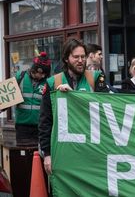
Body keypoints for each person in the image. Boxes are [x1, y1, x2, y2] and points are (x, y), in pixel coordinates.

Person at [38, 38, 109, 175]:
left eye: (83, 56)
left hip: (91, 149)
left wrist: (74, 96)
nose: (80, 60)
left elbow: (106, 108)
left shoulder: (96, 78)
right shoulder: (53, 82)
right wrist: (47, 154)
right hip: (64, 151)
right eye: (76, 57)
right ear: (66, 59)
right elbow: (45, 121)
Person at [12, 52, 51, 146]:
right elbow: (9, 96)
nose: (43, 76)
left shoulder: (48, 82)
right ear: (34, 70)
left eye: (45, 74)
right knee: (23, 156)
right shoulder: (20, 77)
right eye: (41, 73)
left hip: (41, 127)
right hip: (22, 127)